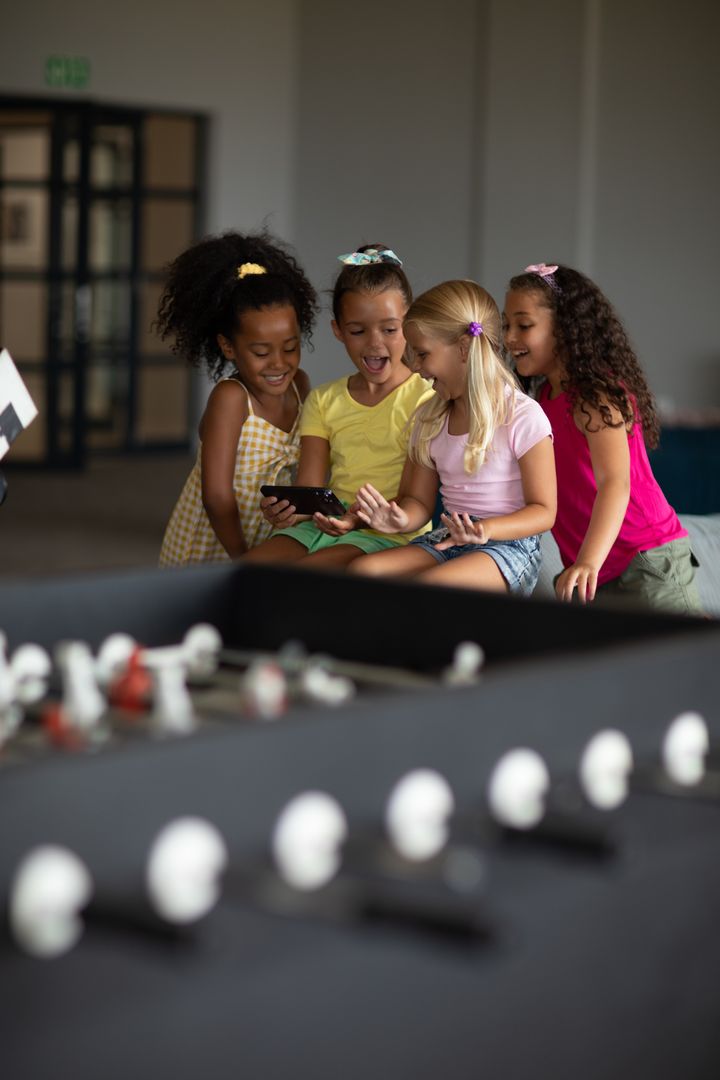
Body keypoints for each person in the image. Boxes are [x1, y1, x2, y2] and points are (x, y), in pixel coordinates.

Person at [503, 262, 701, 614]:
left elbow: (615, 483)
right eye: (507, 325)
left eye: (524, 325)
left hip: (645, 561)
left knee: (683, 663)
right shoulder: (539, 403)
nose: (509, 337)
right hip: (596, 576)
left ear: (565, 329)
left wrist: (587, 562)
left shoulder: (596, 396)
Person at [349, 279, 556, 593]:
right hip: (450, 538)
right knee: (363, 571)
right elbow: (418, 501)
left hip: (508, 546)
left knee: (433, 589)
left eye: (422, 354)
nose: (416, 368)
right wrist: (399, 520)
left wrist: (484, 529)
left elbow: (544, 511)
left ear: (463, 348)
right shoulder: (429, 417)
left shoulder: (523, 415)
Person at [242, 244, 434, 569]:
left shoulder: (427, 399)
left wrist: (356, 519)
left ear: (410, 324)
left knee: (310, 577)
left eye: (389, 329)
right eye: (358, 331)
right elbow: (311, 489)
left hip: (388, 532)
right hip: (323, 524)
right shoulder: (324, 400)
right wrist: (289, 508)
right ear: (338, 331)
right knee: (245, 572)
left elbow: (415, 502)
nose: (374, 343)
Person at [157, 230, 318, 565]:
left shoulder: (300, 386)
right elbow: (216, 496)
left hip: (266, 538)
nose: (279, 363)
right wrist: (241, 557)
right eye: (261, 352)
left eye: (290, 347)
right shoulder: (231, 398)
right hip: (217, 545)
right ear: (228, 347)